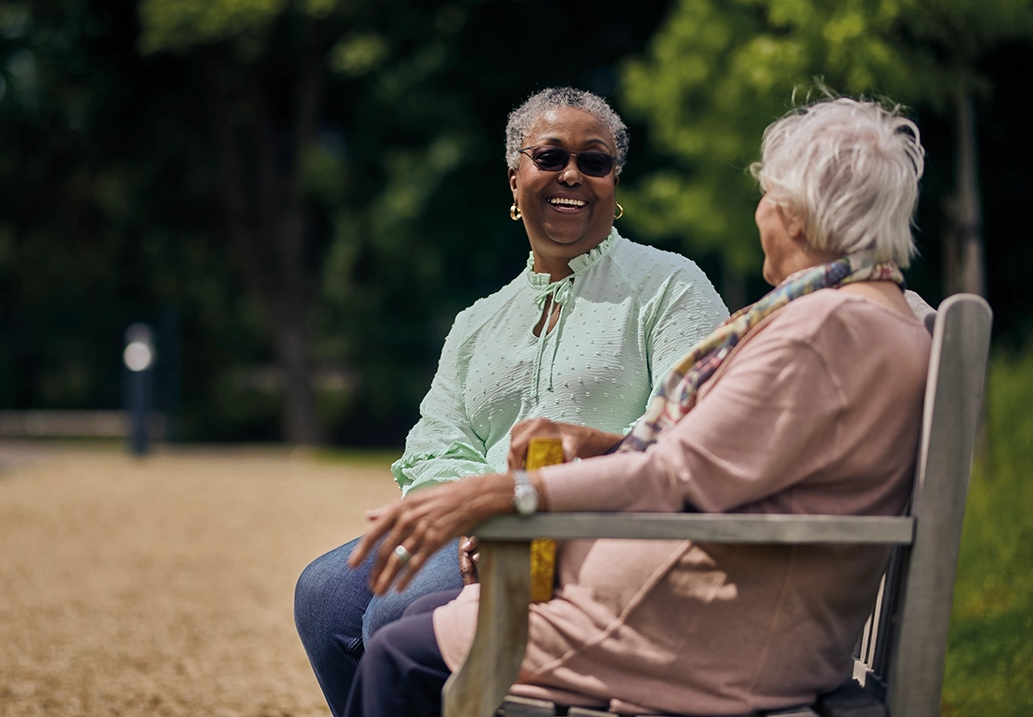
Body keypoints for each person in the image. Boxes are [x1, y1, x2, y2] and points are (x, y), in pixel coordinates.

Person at [343, 95, 933, 717]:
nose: (759, 213)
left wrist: (506, 496)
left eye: (766, 198)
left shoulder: (820, 329)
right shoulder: (849, 314)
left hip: (707, 631)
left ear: (795, 215)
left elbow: (677, 474)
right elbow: (712, 458)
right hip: (708, 602)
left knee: (400, 648)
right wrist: (599, 447)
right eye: (549, 156)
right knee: (397, 614)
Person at [293, 87, 728, 716]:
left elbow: (681, 425)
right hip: (477, 527)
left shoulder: (669, 287)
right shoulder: (479, 320)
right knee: (324, 594)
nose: (572, 175)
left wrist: (526, 512)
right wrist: (477, 516)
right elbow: (436, 442)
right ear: (514, 177)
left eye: (595, 161)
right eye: (550, 157)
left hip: (590, 532)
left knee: (392, 614)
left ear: (615, 183)